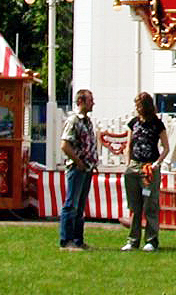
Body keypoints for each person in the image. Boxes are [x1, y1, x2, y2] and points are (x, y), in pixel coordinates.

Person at [121, 91, 170, 252]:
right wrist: (128, 163)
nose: (137, 108)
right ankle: (133, 240)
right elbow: (128, 145)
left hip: (149, 168)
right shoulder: (133, 123)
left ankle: (151, 239)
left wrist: (156, 163)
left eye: (139, 105)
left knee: (150, 204)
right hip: (134, 166)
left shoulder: (157, 124)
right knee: (135, 205)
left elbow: (165, 147)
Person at [59, 88, 98, 250]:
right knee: (71, 204)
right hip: (76, 168)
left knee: (80, 205)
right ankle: (66, 240)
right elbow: (65, 145)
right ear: (81, 101)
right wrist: (78, 161)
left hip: (87, 168)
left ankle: (77, 240)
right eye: (90, 100)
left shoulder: (87, 121)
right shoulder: (73, 120)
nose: (93, 103)